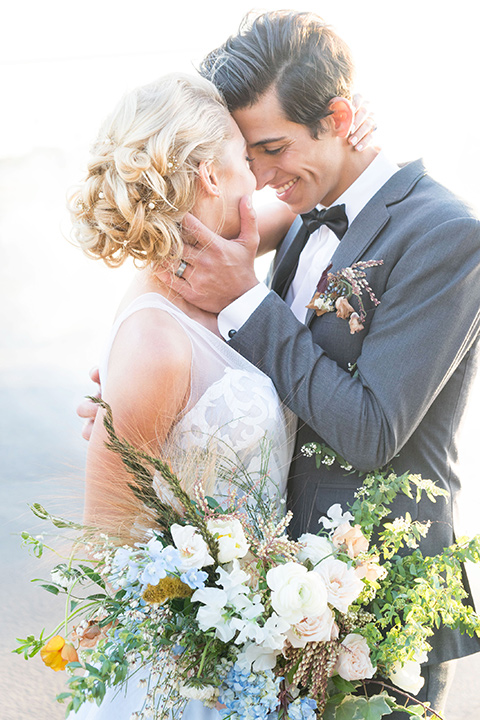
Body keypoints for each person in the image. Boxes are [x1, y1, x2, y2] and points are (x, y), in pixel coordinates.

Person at [151, 10, 480, 718]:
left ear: (337, 116)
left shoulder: (447, 234)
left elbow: (370, 431)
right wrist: (147, 392)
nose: (261, 177)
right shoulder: (302, 215)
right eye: (248, 154)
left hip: (383, 600)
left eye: (272, 148)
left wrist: (246, 298)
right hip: (278, 591)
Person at [69, 71, 300, 719]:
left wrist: (354, 149)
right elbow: (104, 538)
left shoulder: (212, 275)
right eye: (245, 159)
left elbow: (304, 206)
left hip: (250, 654)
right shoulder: (156, 340)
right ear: (209, 174)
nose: (259, 176)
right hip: (182, 676)